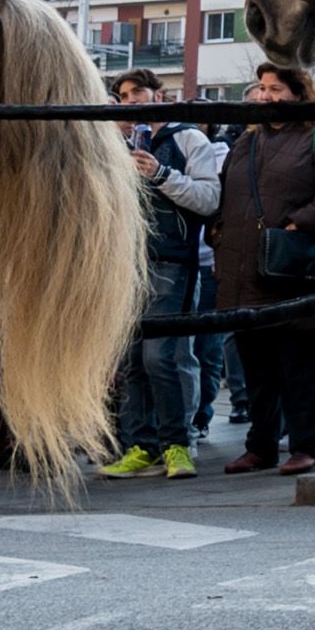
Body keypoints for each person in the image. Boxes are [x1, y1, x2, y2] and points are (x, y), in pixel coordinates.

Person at [211, 60, 315, 474]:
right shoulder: (245, 144)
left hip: (298, 273)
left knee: (304, 369)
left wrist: (298, 223)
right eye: (262, 88)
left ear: (298, 94)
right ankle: (260, 445)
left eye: (276, 89)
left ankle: (307, 445)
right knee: (258, 373)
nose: (266, 96)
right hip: (247, 274)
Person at [100, 73, 227, 478]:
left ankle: (177, 444)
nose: (130, 101)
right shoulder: (114, 144)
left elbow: (209, 199)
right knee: (132, 361)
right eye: (123, 96)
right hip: (125, 266)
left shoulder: (189, 138)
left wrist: (160, 174)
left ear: (159, 95)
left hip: (174, 261)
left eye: (138, 92)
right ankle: (141, 445)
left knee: (163, 357)